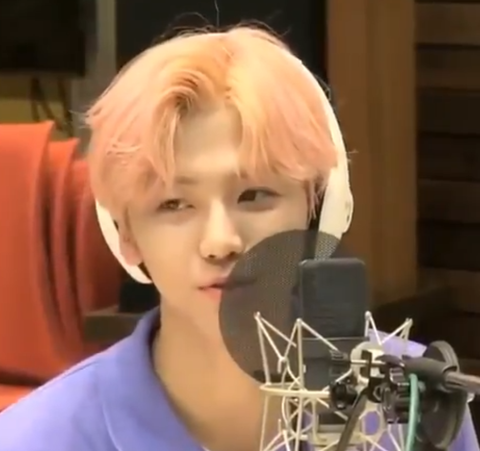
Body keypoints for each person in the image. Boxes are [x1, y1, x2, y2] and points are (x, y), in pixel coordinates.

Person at [0, 25, 477, 451]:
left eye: (254, 195)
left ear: (319, 212)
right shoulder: (35, 439)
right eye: (174, 204)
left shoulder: (422, 407)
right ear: (126, 236)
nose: (220, 242)